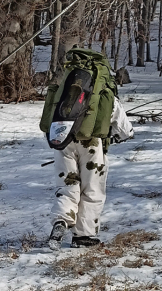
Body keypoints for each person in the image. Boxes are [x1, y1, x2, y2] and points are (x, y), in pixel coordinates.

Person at [47, 92, 134, 249]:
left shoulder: (65, 89)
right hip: (91, 143)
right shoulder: (104, 93)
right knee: (92, 188)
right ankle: (83, 235)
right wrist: (118, 136)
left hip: (64, 139)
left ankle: (61, 221)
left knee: (67, 185)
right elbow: (125, 130)